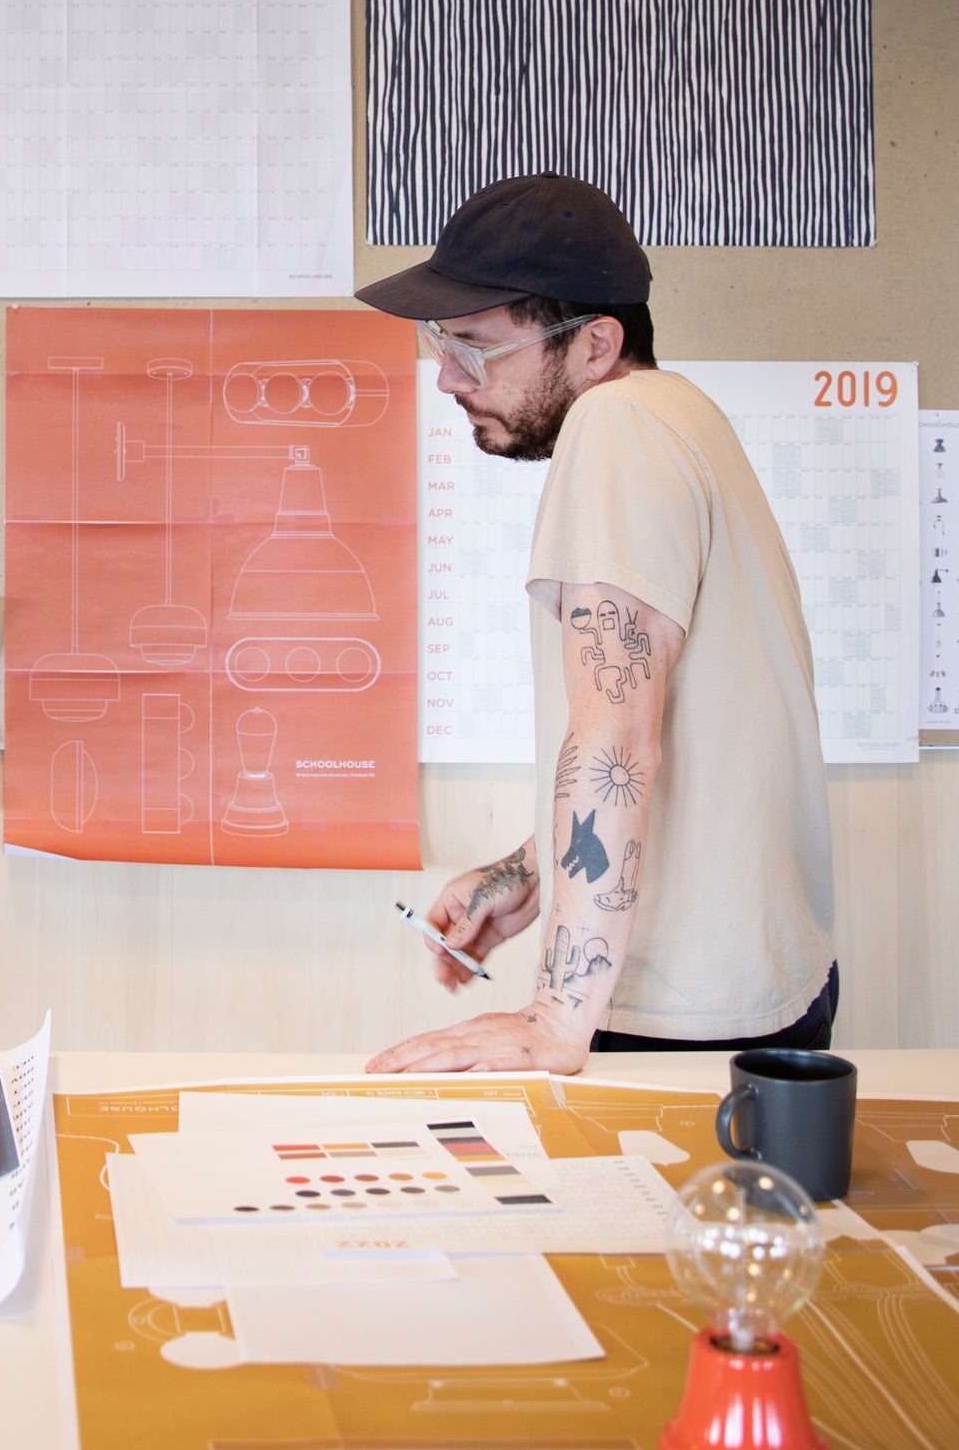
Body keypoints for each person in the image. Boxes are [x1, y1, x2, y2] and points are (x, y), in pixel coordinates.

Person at [356, 173, 837, 1073]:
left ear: (595, 343)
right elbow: (685, 727)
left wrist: (553, 1017)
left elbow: (616, 734)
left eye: (474, 346)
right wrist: (524, 873)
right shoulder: (683, 419)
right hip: (746, 980)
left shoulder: (615, 427)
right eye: (439, 343)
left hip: (682, 1007)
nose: (447, 377)